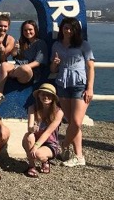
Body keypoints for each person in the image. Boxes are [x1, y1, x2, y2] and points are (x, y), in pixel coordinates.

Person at [50, 17, 95, 167]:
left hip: (79, 86)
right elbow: (53, 69)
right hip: (63, 84)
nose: (67, 30)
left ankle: (63, 144)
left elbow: (90, 68)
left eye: (70, 28)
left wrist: (90, 88)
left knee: (76, 122)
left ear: (75, 30)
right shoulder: (56, 45)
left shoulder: (83, 45)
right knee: (72, 123)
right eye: (65, 28)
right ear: (61, 29)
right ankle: (79, 157)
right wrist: (55, 64)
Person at [0, 20, 48, 104]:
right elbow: (15, 56)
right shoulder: (22, 42)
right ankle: (0, 93)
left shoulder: (40, 43)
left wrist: (21, 68)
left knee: (25, 68)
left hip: (30, 73)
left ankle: (10, 74)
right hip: (18, 68)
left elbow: (38, 61)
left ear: (35, 30)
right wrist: (15, 49)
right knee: (4, 65)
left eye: (30, 29)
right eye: (25, 30)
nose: (28, 32)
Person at [23, 83, 64, 177]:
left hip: (50, 143)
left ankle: (45, 160)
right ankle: (31, 166)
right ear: (39, 95)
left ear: (53, 97)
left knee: (37, 154)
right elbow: (29, 128)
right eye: (43, 94)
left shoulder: (58, 112)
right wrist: (32, 128)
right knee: (29, 136)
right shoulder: (32, 108)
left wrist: (35, 146)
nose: (46, 97)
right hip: (35, 139)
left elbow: (48, 132)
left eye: (49, 95)